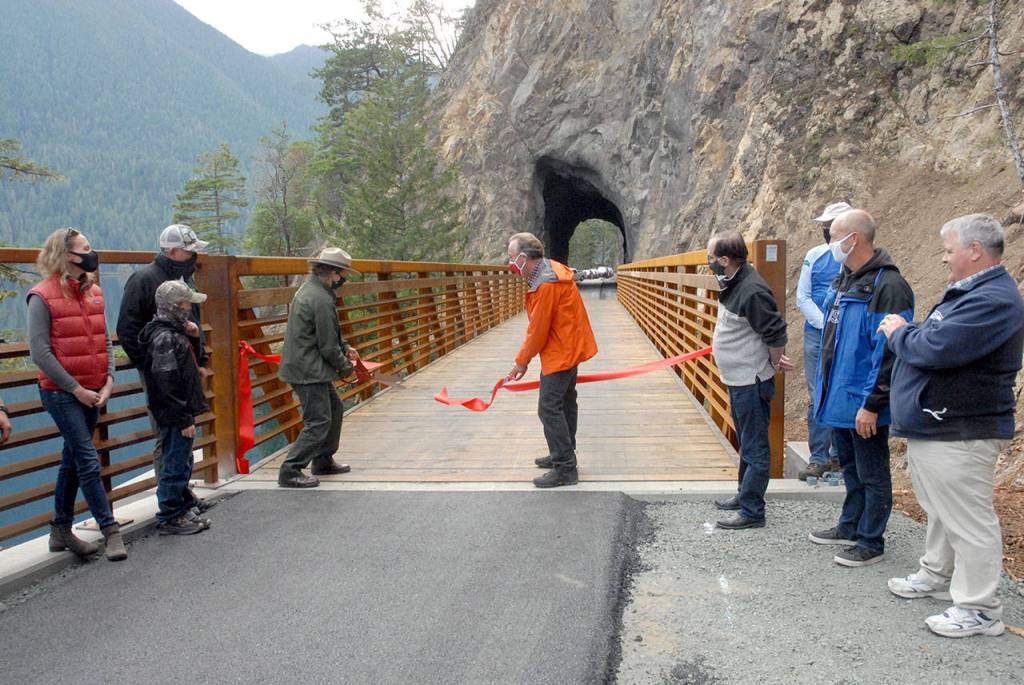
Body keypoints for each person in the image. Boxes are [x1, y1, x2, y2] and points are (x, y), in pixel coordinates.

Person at [879, 214, 1022, 638]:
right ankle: (937, 573)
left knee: (968, 519)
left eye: (947, 250)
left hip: (961, 428)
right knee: (942, 510)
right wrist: (914, 334)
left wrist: (900, 333)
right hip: (941, 425)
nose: (943, 259)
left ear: (974, 251)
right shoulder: (970, 293)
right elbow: (935, 336)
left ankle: (979, 608)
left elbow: (936, 347)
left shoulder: (993, 299)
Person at [807, 209, 914, 567]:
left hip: (862, 400)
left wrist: (872, 403)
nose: (829, 243)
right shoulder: (845, 279)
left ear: (854, 239)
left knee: (872, 471)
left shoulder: (889, 287)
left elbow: (887, 353)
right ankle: (850, 524)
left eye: (834, 235)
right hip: (838, 397)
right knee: (850, 469)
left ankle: (871, 540)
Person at [28, 227, 126, 561]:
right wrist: (76, 389)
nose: (91, 252)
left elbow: (105, 340)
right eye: (86, 248)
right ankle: (110, 530)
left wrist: (109, 380)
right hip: (61, 393)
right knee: (86, 458)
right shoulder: (41, 296)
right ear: (67, 255)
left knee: (72, 460)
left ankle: (60, 530)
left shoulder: (94, 292)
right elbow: (40, 353)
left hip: (95, 390)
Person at [116, 224, 213, 515]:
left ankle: (182, 492)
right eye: (190, 250)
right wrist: (152, 367)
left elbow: (192, 323)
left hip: (185, 367)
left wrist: (200, 359)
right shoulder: (143, 279)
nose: (195, 256)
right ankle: (170, 502)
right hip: (162, 372)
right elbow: (127, 329)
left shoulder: (185, 279)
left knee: (185, 433)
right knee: (168, 434)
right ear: (173, 251)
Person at [707, 231, 791, 529]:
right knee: (745, 439)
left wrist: (774, 360)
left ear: (726, 260)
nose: (709, 263)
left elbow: (775, 332)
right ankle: (745, 495)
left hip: (750, 379)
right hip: (737, 377)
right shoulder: (735, 282)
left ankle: (753, 511)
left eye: (711, 257)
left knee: (755, 445)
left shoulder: (752, 290)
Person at [506, 232, 598, 488]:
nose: (510, 263)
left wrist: (520, 363)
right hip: (569, 345)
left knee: (548, 407)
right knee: (566, 401)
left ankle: (565, 467)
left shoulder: (546, 285)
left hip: (561, 350)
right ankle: (563, 453)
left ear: (524, 258)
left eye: (512, 258)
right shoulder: (551, 271)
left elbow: (538, 331)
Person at [277, 247, 360, 488]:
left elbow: (326, 334)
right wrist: (347, 369)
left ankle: (323, 460)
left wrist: (344, 347)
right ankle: (290, 469)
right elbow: (326, 346)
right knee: (319, 420)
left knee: (334, 408)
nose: (344, 279)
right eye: (343, 273)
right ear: (333, 272)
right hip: (307, 368)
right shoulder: (320, 298)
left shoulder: (313, 290)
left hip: (308, 364)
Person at [140, 280, 213, 535]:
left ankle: (182, 504)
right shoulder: (163, 338)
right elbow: (167, 383)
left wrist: (193, 337)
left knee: (182, 459)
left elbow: (186, 363)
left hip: (179, 411)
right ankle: (170, 514)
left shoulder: (175, 332)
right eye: (184, 304)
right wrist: (184, 419)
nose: (188, 309)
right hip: (173, 414)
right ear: (173, 307)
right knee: (174, 461)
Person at [795, 201, 850, 480]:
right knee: (818, 393)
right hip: (818, 333)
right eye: (826, 228)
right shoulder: (815, 256)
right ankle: (819, 456)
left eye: (831, 227)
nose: (827, 232)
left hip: (847, 335)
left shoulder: (860, 260)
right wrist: (824, 323)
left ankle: (840, 457)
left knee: (841, 390)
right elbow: (802, 296)